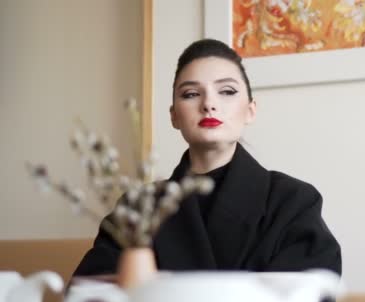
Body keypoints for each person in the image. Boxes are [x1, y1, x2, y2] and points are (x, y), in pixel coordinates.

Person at [72, 39, 341, 280]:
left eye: (227, 91)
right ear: (174, 116)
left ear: (250, 110)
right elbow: (88, 294)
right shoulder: (137, 208)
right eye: (191, 94)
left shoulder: (293, 200)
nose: (209, 104)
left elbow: (311, 298)